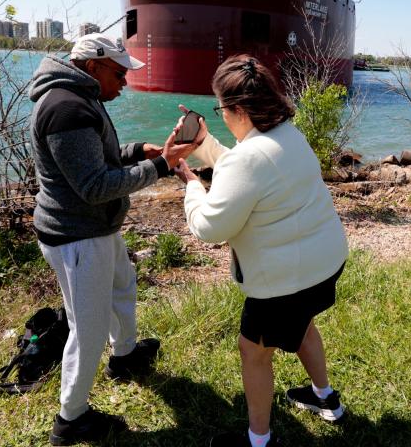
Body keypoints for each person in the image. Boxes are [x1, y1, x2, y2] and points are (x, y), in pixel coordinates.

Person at [28, 34, 201, 446]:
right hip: (77, 236)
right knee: (87, 328)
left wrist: (141, 150)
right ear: (93, 67)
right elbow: (93, 185)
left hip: (96, 229)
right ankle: (71, 418)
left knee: (123, 287)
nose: (125, 82)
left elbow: (99, 156)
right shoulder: (65, 109)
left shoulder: (81, 97)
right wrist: (160, 166)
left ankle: (124, 356)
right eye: (119, 72)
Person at [174, 55, 349, 447]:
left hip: (285, 282)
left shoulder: (248, 159)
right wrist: (204, 145)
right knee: (302, 325)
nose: (220, 116)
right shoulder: (289, 134)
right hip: (325, 262)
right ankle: (326, 400)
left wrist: (189, 183)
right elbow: (247, 169)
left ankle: (258, 440)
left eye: (221, 109)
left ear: (238, 109)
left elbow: (208, 227)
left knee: (253, 351)